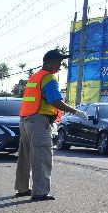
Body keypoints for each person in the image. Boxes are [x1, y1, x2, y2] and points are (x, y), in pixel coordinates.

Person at [16, 49, 87, 201]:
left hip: (25, 121)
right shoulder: (48, 78)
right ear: (49, 62)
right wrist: (76, 112)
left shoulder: (34, 77)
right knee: (41, 156)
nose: (60, 66)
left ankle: (22, 188)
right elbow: (55, 101)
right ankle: (40, 192)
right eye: (58, 62)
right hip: (38, 121)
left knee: (25, 156)